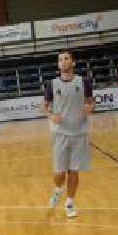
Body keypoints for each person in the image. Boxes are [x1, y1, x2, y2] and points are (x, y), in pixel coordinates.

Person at [44, 51, 94, 219]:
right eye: (60, 59)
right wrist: (51, 115)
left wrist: (90, 107)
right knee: (59, 174)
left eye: (66, 58)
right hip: (60, 134)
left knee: (74, 171)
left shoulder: (84, 81)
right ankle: (58, 190)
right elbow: (44, 107)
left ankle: (70, 202)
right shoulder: (52, 84)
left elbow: (90, 101)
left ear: (72, 62)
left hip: (79, 133)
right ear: (58, 65)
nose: (63, 61)